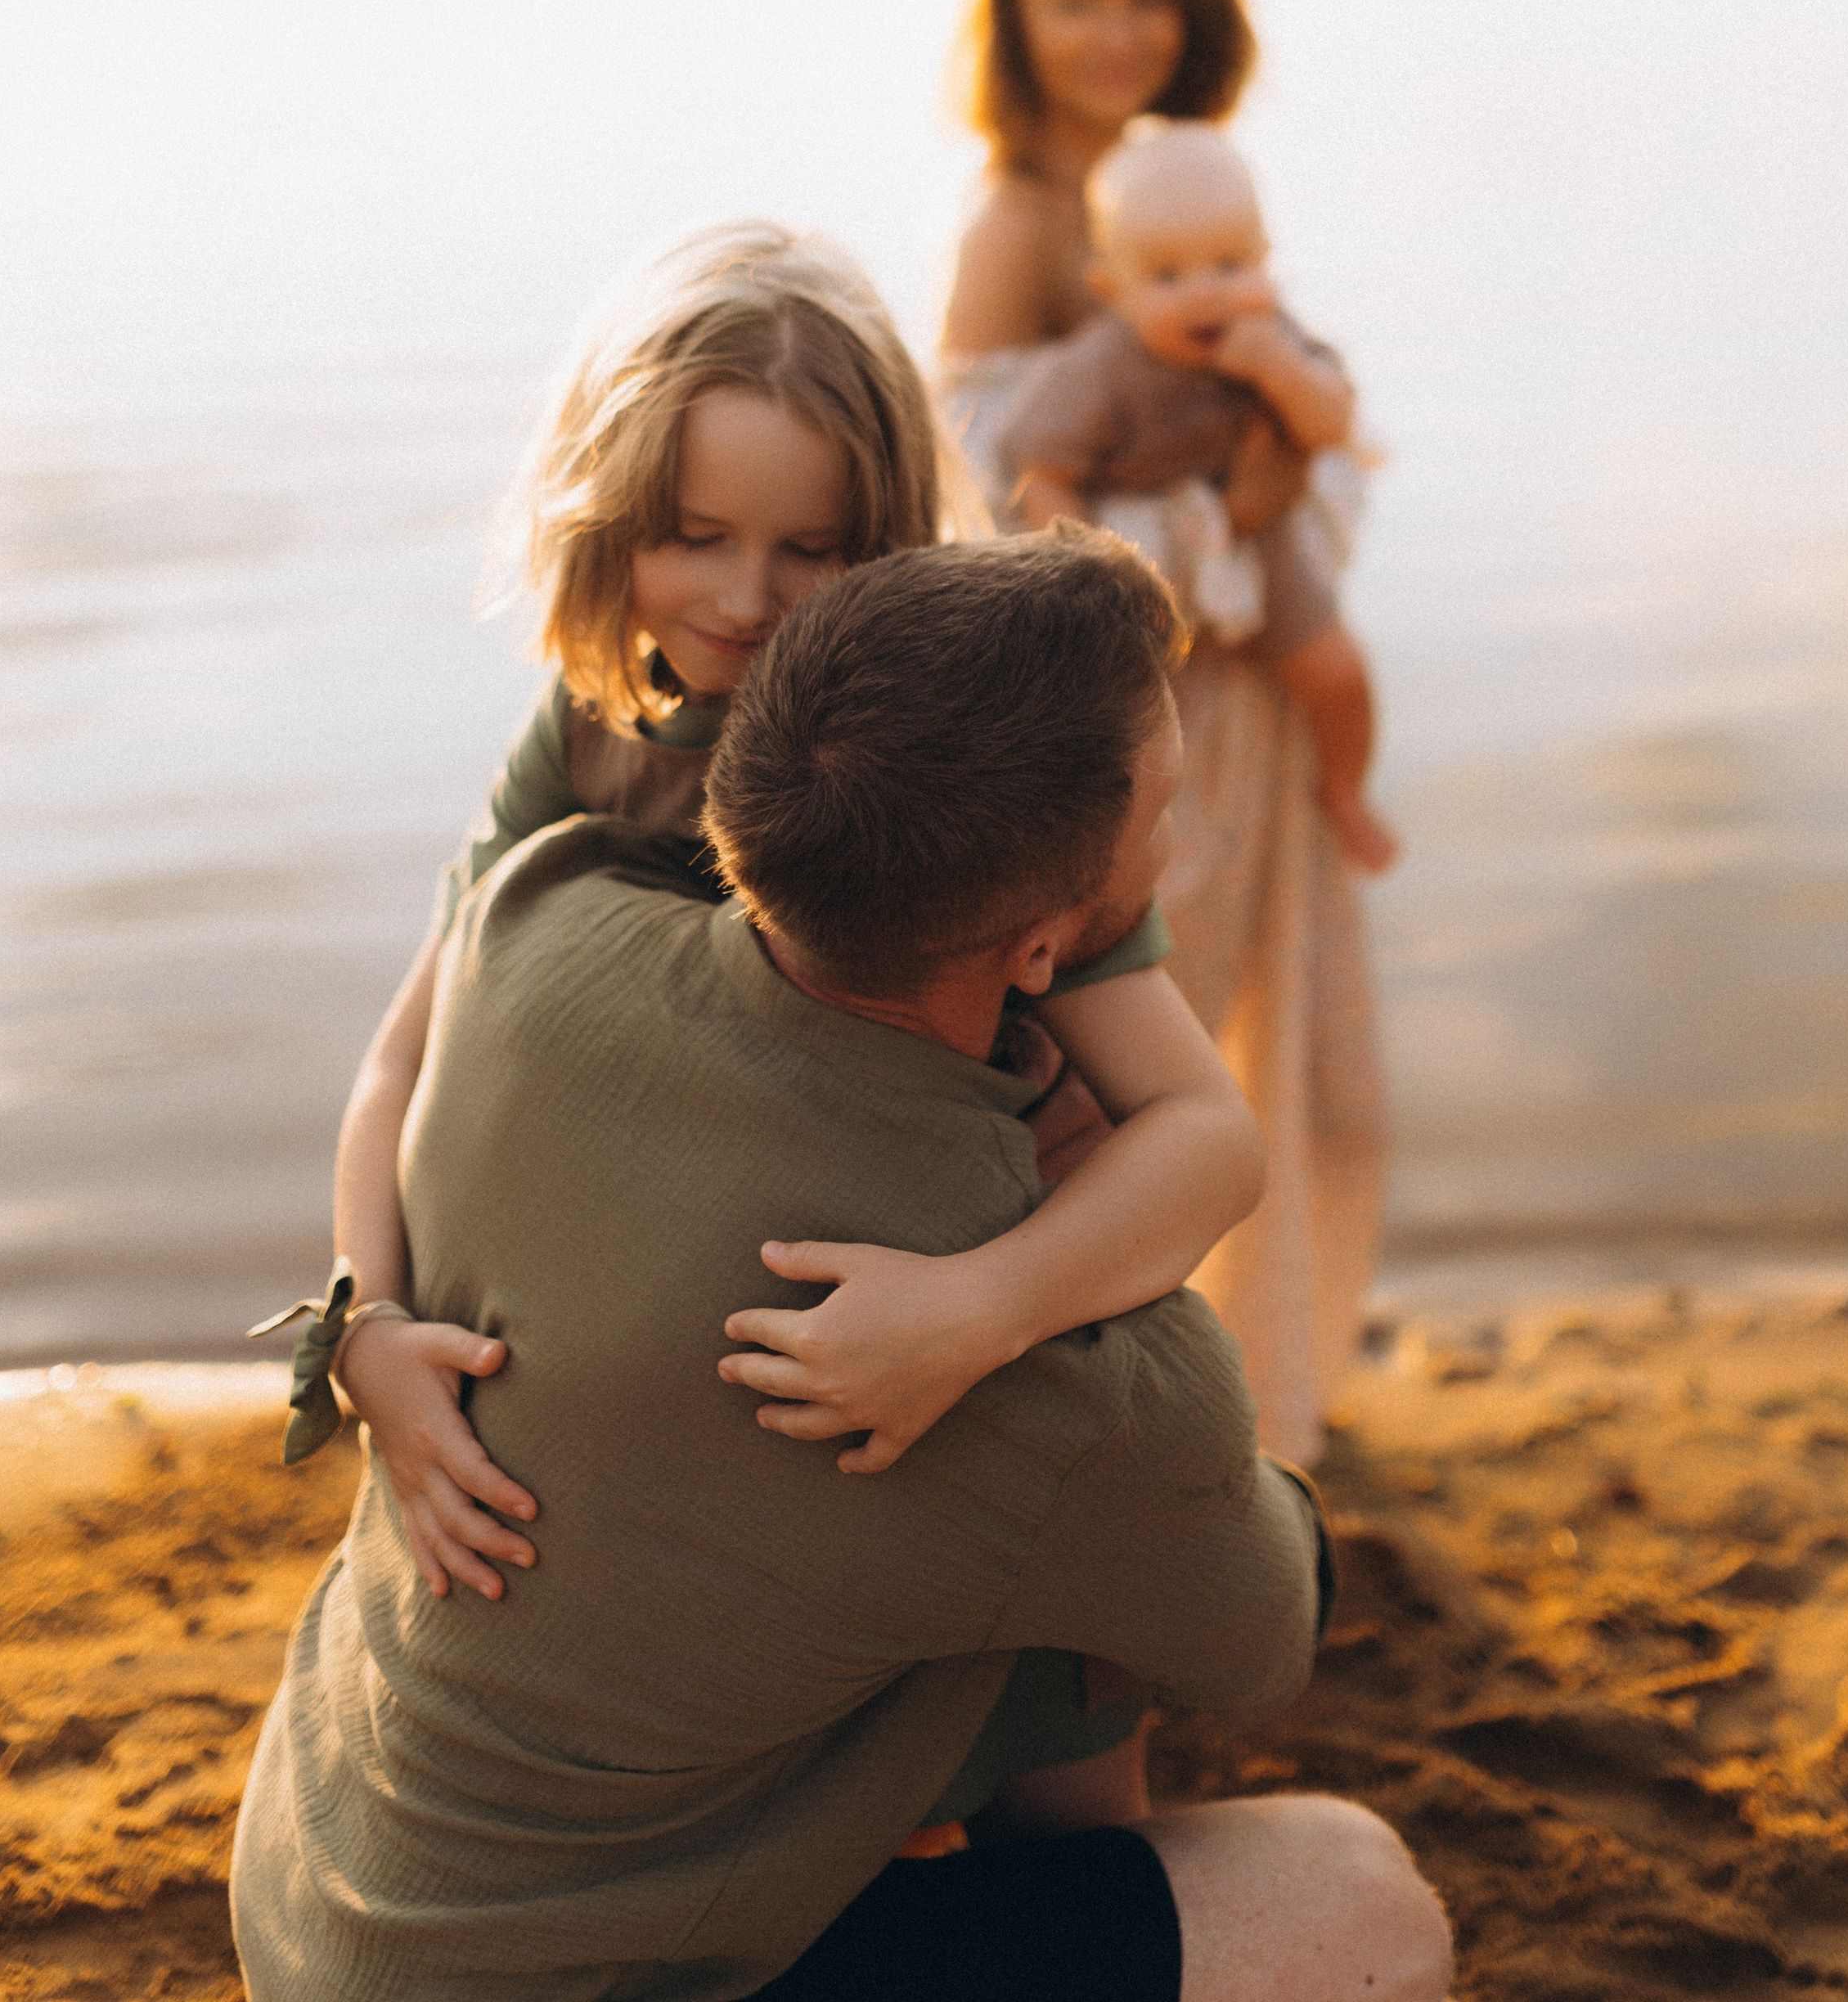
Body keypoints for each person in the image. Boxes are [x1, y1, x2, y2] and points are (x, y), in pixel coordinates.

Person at [231, 533, 1452, 2002]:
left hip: (317, 1896)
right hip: (571, 1978)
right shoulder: (1068, 1369)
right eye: (1169, 814)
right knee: (1358, 1897)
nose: (1182, 854)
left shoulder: (535, 934)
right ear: (1047, 942)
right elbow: (1267, 1635)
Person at [321, 223, 1263, 1626]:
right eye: (692, 536)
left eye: (810, 550)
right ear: (607, 511)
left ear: (887, 540)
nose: (744, 598)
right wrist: (367, 1324)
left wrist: (987, 1304)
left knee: (1048, 1732)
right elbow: (407, 1057)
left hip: (948, 1313)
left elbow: (1204, 1130)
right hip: (690, 1359)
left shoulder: (968, 768)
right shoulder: (598, 732)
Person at [944, 0, 1390, 1464]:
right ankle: (1118, 1402)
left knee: (1286, 1053)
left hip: (1254, 694)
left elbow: (1307, 428)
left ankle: (1260, 1387)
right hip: (1131, 719)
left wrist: (1279, 463)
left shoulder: (1188, 177)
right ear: (1015, 10)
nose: (1115, 32)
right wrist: (1213, 533)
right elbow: (990, 509)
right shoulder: (1015, 220)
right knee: (1139, 1073)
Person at [998, 121, 1397, 875]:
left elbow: (1336, 424)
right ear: (1112, 288)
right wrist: (1088, 561)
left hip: (1263, 549)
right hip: (1157, 565)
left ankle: (1345, 790)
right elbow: (1038, 463)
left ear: (1266, 260)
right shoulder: (1100, 370)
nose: (1205, 293)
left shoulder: (1271, 333)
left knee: (1339, 675)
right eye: (1169, 277)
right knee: (1132, 721)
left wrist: (1279, 367)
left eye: (1229, 263)